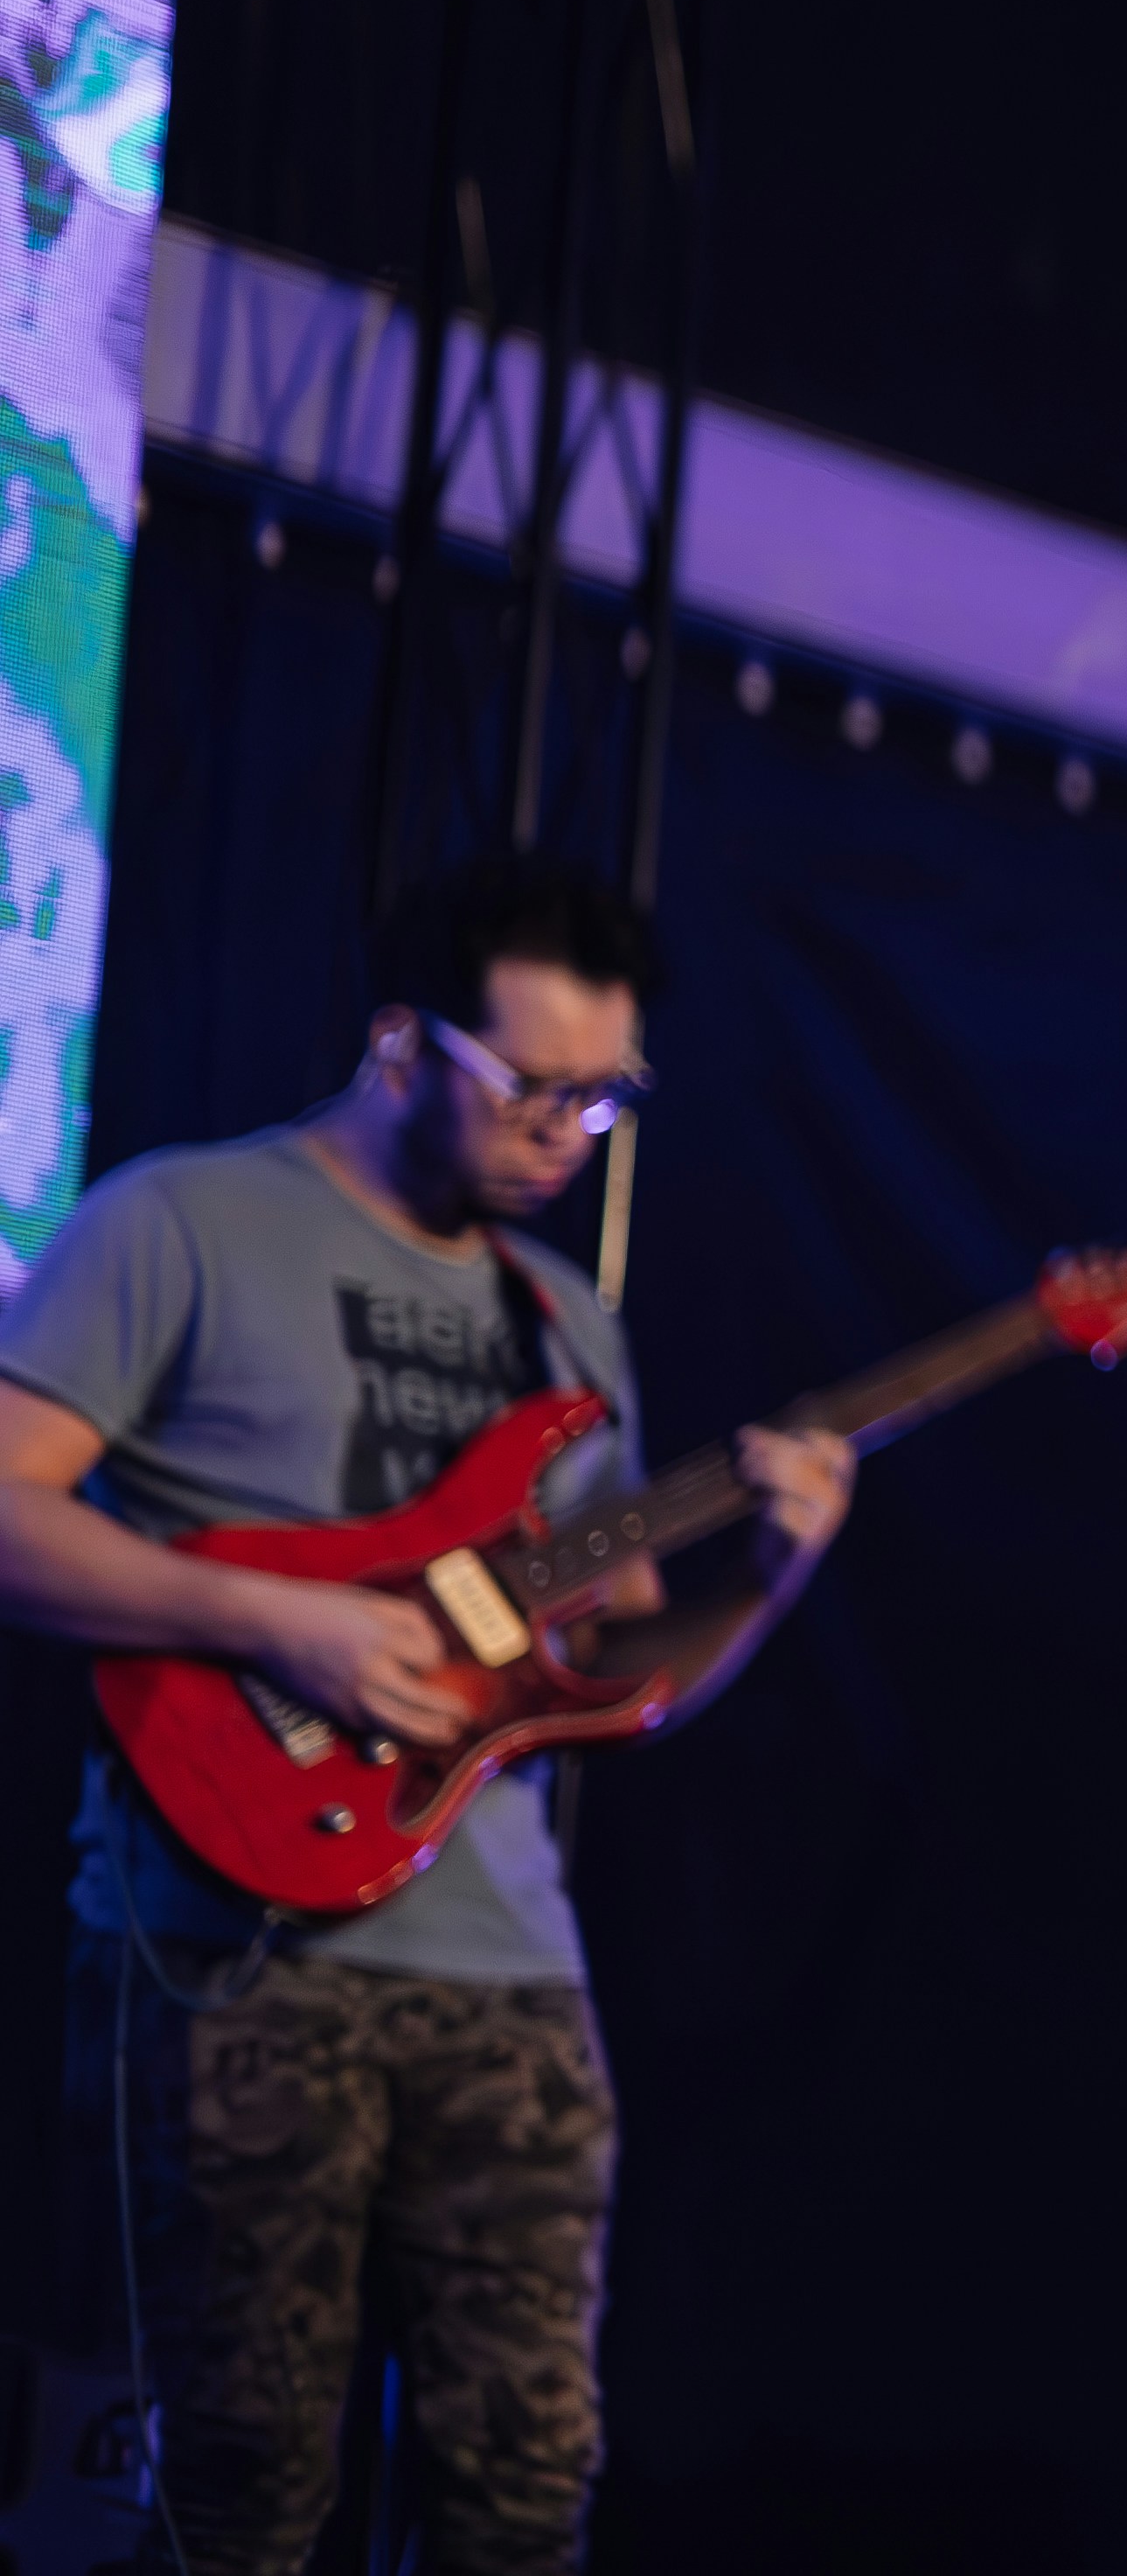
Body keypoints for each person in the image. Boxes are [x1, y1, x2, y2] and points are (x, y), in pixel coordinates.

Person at [0, 857, 854, 2575]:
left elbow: (615, 1677)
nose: (570, 1132)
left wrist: (766, 1573)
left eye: (606, 1096)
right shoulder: (181, 1222)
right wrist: (273, 1619)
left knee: (526, 2487)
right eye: (535, 1086)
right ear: (404, 1039)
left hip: (507, 1969)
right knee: (234, 2488)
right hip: (231, 1941)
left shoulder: (568, 1328)